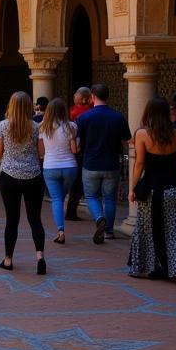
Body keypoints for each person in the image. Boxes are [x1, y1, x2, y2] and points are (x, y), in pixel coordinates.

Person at [128, 97, 176, 281]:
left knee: (147, 229)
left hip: (153, 191)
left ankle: (147, 265)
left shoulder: (142, 134)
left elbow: (140, 163)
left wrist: (133, 187)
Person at [0, 91, 47, 274]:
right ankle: (40, 256)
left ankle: (8, 259)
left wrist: (9, 161)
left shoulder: (3, 126)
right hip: (33, 176)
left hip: (9, 177)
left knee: (12, 219)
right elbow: (42, 153)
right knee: (35, 219)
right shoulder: (35, 127)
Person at [76, 83, 131, 244]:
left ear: (92, 96)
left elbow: (78, 143)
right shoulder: (118, 117)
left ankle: (99, 218)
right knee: (110, 198)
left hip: (91, 164)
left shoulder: (84, 118)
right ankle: (108, 231)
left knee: (92, 195)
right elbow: (127, 139)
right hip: (111, 164)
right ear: (108, 96)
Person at [38, 97, 78, 244]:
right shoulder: (71, 126)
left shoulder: (42, 127)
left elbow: (40, 151)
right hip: (69, 167)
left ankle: (60, 231)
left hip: (50, 167)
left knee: (56, 200)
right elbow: (74, 150)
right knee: (62, 197)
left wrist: (45, 156)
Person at [65, 86, 93, 221]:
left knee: (76, 183)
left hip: (76, 151)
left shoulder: (74, 111)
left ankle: (71, 210)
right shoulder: (89, 110)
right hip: (86, 151)